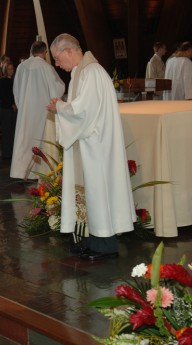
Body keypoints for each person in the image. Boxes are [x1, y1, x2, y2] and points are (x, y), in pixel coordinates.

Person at [47, 33, 135, 261]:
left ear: (69, 51)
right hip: (87, 145)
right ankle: (90, 238)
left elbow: (83, 111)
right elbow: (79, 108)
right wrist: (64, 106)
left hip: (97, 147)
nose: (57, 64)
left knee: (98, 193)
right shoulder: (80, 72)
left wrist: (61, 108)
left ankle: (105, 245)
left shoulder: (92, 72)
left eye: (57, 58)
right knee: (89, 194)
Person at [10, 40, 65, 179]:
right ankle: (40, 173)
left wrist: (22, 106)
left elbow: (16, 90)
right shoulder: (46, 67)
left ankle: (21, 172)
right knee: (41, 140)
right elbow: (56, 88)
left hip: (25, 111)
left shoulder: (21, 67)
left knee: (25, 140)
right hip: (43, 111)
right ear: (45, 52)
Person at [0, 62, 17, 160]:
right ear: (5, 70)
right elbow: (2, 95)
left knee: (13, 131)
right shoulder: (2, 81)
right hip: (5, 108)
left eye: (12, 68)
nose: (11, 70)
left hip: (14, 108)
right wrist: (11, 104)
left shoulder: (15, 80)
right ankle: (6, 153)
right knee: (6, 131)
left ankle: (13, 151)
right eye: (9, 69)